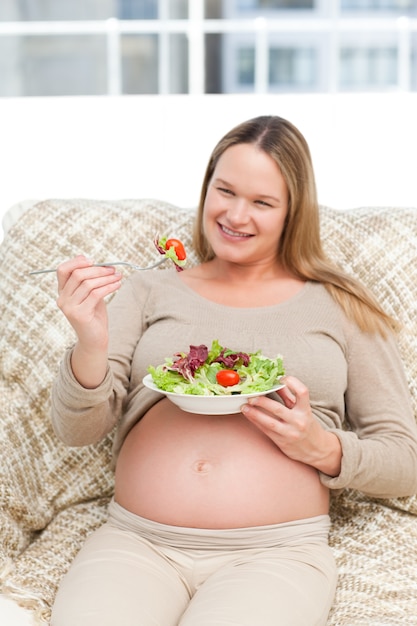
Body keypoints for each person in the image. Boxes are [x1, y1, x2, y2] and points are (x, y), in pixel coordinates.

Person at [50, 115, 417, 626]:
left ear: (293, 212)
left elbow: (406, 460)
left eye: (263, 202)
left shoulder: (341, 305)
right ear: (206, 188)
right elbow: (75, 430)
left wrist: (321, 448)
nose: (236, 215)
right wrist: (89, 340)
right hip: (137, 542)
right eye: (225, 190)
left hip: (276, 554)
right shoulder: (150, 289)